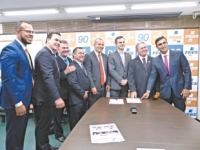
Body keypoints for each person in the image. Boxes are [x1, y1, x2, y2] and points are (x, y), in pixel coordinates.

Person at [0, 21, 34, 150]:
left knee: (19, 136)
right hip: (16, 102)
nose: (31, 34)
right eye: (28, 31)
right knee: (14, 137)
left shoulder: (24, 50)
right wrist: (18, 103)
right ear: (18, 32)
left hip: (23, 101)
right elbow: (8, 79)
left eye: (32, 32)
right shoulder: (11, 49)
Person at [32, 32, 65, 150]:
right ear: (47, 40)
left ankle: (45, 146)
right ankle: (42, 147)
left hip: (47, 98)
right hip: (43, 98)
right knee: (42, 126)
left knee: (46, 126)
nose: (58, 43)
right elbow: (48, 77)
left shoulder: (51, 55)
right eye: (56, 40)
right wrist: (57, 97)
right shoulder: (44, 54)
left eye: (59, 41)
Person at [142, 36, 192, 112]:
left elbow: (187, 71)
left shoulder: (178, 54)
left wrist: (186, 88)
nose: (163, 45)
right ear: (157, 47)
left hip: (180, 91)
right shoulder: (155, 61)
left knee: (181, 117)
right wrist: (148, 91)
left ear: (167, 43)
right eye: (160, 44)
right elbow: (153, 76)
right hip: (165, 93)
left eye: (164, 43)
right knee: (165, 117)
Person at [54, 40, 76, 141]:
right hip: (60, 93)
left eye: (67, 48)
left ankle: (73, 132)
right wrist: (65, 72)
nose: (66, 50)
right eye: (63, 48)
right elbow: (53, 78)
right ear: (58, 49)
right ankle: (58, 135)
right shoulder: (55, 61)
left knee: (72, 115)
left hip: (71, 93)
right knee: (58, 116)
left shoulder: (70, 60)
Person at [67, 47, 90, 130]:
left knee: (80, 122)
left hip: (82, 100)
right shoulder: (72, 66)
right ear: (74, 55)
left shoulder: (81, 65)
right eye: (79, 53)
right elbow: (72, 82)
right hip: (76, 100)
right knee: (75, 123)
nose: (82, 55)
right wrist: (82, 93)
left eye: (83, 53)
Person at [83, 38, 110, 107]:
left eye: (102, 44)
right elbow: (88, 72)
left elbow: (107, 71)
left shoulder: (105, 57)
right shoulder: (88, 56)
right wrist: (92, 86)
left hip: (103, 88)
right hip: (94, 88)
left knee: (102, 108)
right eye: (99, 44)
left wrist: (108, 84)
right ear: (94, 45)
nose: (101, 46)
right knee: (93, 109)